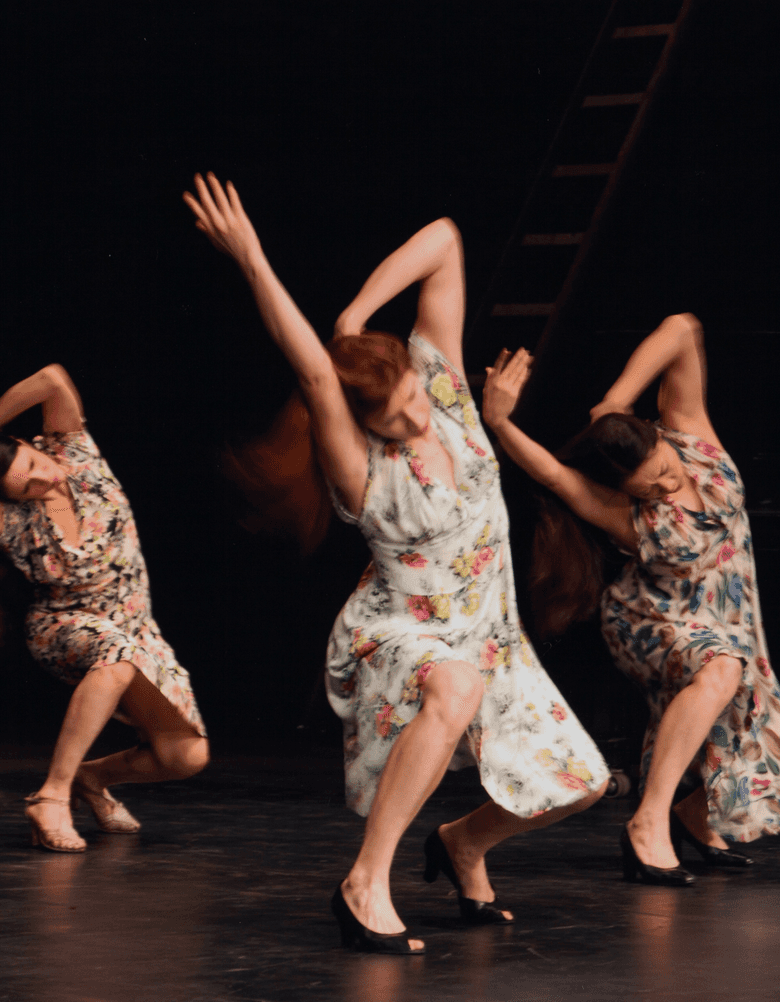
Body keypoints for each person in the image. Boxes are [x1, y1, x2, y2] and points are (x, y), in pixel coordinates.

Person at [184, 173, 608, 954]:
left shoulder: (438, 381)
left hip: (491, 631)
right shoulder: (361, 467)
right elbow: (314, 371)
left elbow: (444, 238)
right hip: (402, 630)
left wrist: (356, 314)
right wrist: (250, 256)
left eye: (413, 392)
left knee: (581, 784)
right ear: (361, 425)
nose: (419, 413)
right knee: (453, 687)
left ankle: (463, 844)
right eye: (397, 414)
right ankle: (365, 882)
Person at [481, 313, 780, 885]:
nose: (666, 485)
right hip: (654, 617)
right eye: (648, 486)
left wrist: (613, 401)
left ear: (659, 436)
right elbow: (555, 476)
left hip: (730, 612)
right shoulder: (621, 512)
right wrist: (500, 423)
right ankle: (648, 824)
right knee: (719, 670)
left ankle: (688, 816)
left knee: (761, 727)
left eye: (663, 470)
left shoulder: (690, 436)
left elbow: (682, 328)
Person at [0, 366, 209, 853]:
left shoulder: (76, 455)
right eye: (27, 486)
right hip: (63, 627)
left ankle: (90, 778)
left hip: (137, 628)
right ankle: (50, 797)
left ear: (31, 443)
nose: (44, 477)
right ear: (12, 500)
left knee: (186, 756)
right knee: (115, 660)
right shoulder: (16, 525)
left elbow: (53, 379)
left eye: (33, 462)